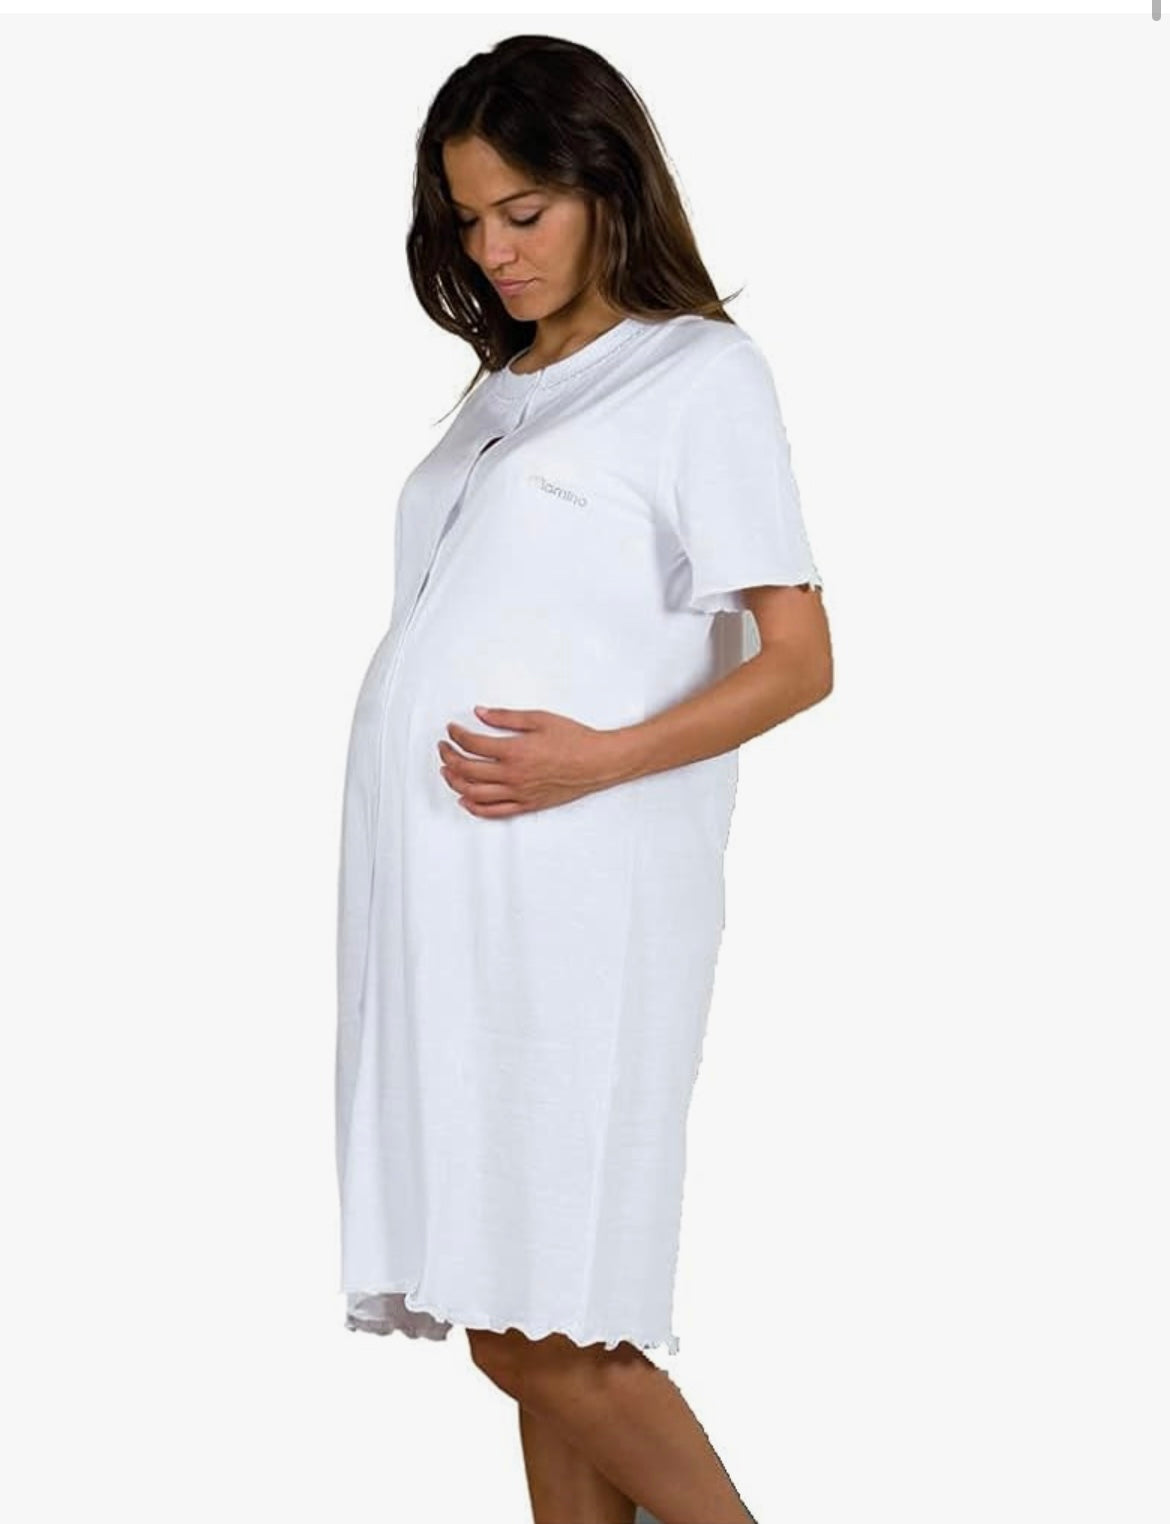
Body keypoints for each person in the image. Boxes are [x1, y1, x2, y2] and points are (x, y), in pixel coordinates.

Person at [335, 33, 833, 1524]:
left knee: (544, 1331)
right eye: (466, 219)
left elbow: (799, 657)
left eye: (523, 212)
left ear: (608, 187)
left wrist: (596, 759)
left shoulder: (696, 375)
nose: (493, 250)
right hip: (446, 909)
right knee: (527, 1306)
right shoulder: (506, 389)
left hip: (575, 906)